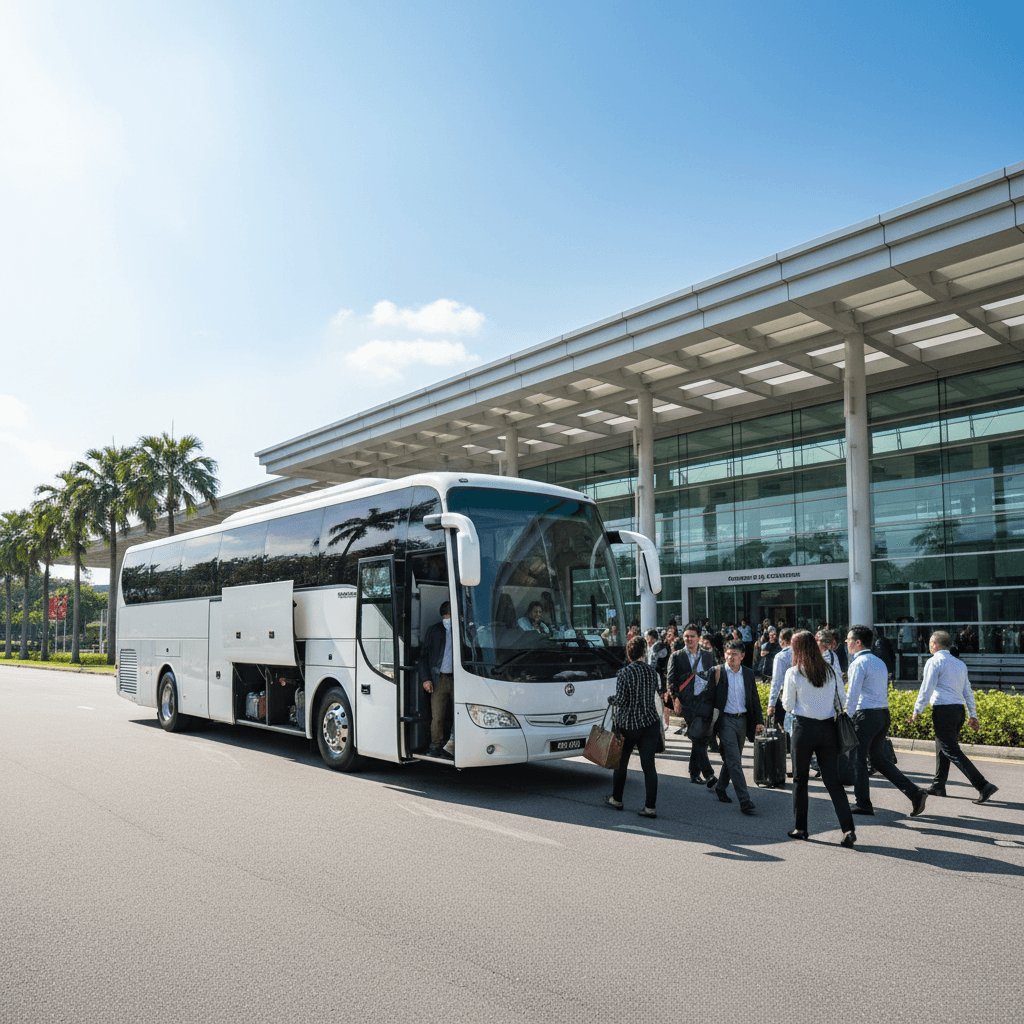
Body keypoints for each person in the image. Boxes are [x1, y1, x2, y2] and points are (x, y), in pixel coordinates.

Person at [782, 631, 856, 846]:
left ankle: (801, 828)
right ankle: (848, 829)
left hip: (803, 728)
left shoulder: (793, 673)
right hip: (828, 728)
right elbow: (842, 699)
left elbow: (787, 705)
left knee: (800, 780)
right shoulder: (831, 671)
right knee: (833, 782)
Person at [845, 625, 928, 817]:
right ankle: (914, 793)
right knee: (878, 759)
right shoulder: (878, 661)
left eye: (849, 639)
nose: (847, 643)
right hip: (882, 714)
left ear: (858, 642)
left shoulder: (858, 663)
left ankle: (863, 803)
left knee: (858, 759)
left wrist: (846, 718)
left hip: (865, 715)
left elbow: (853, 694)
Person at [911, 631, 998, 804]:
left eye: (930, 642)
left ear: (935, 643)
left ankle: (983, 785)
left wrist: (917, 710)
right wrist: (972, 714)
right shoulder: (959, 664)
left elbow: (926, 688)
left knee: (951, 750)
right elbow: (968, 691)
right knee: (942, 748)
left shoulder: (934, 661)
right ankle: (938, 785)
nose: (929, 645)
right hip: (958, 711)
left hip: (943, 711)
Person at [605, 635, 661, 818]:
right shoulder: (652, 672)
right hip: (650, 723)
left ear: (629, 654)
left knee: (621, 763)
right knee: (649, 767)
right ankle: (650, 807)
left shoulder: (624, 673)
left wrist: (611, 700)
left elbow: (622, 700)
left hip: (628, 725)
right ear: (644, 653)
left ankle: (617, 799)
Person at [712, 640, 764, 815]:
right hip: (725, 721)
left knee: (732, 759)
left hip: (742, 721)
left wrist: (759, 720)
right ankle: (745, 800)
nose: (730, 657)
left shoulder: (748, 674)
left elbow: (754, 699)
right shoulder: (718, 672)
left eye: (734, 654)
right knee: (735, 760)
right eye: (728, 653)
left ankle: (721, 787)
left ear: (742, 656)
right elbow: (708, 697)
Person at [667, 624, 717, 784]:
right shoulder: (677, 656)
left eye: (692, 636)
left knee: (698, 737)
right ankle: (709, 774)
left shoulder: (708, 656)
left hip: (704, 701)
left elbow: (715, 676)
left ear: (699, 638)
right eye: (686, 636)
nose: (689, 639)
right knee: (698, 738)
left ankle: (694, 773)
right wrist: (676, 698)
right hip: (687, 702)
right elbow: (671, 679)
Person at [419, 600, 455, 759]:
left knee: (458, 714)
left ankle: (452, 745)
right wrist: (426, 679)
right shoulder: (434, 630)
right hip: (438, 678)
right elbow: (423, 657)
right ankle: (436, 746)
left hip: (457, 678)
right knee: (438, 716)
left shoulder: (462, 631)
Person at [646, 627, 670, 692]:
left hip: (659, 676)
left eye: (646, 637)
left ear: (650, 638)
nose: (646, 639)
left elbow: (654, 664)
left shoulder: (657, 647)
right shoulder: (654, 646)